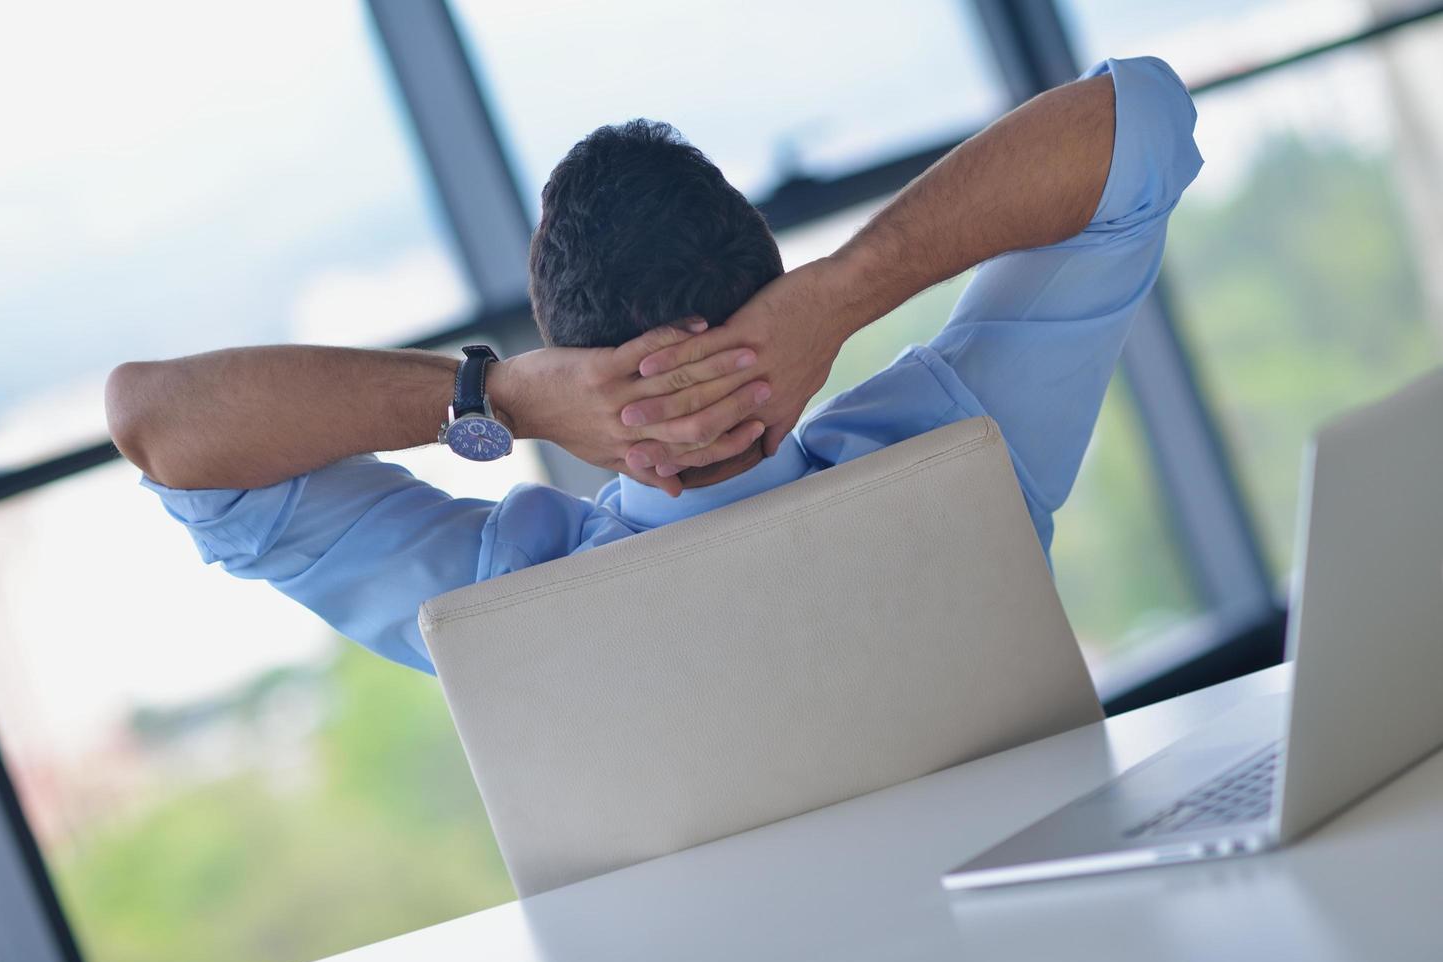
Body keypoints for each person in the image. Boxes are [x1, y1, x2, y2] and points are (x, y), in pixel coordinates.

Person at [106, 57, 1201, 675]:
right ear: (763, 285)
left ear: (572, 363)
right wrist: (840, 294)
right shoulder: (960, 445)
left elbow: (160, 423)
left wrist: (501, 396)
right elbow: (1139, 119)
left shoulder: (503, 608)